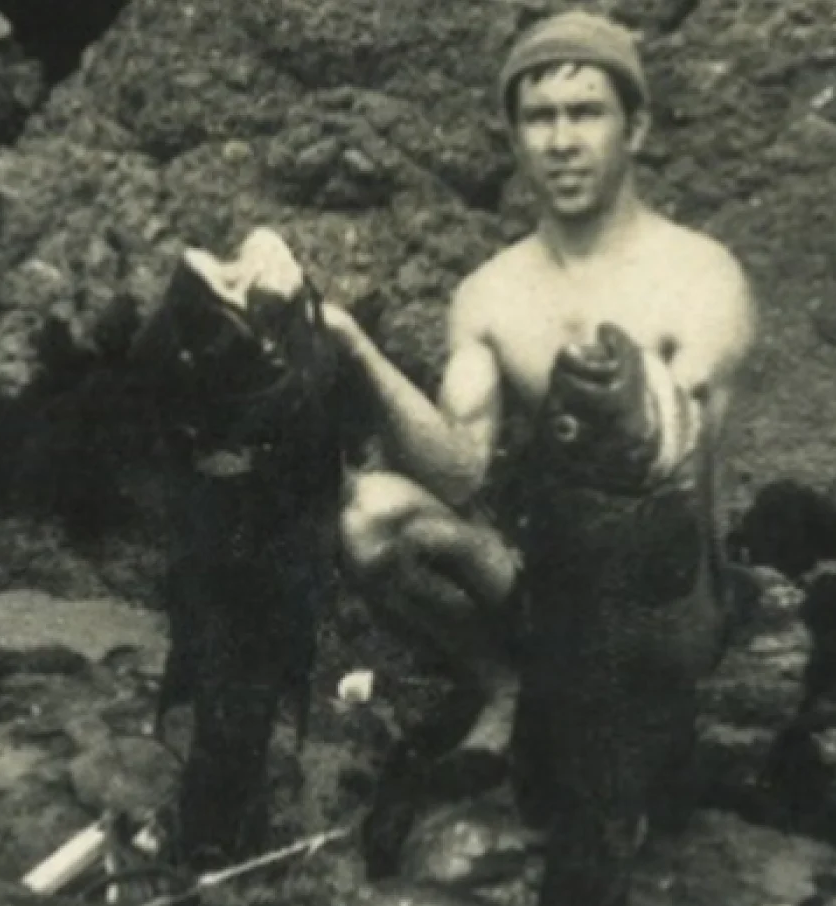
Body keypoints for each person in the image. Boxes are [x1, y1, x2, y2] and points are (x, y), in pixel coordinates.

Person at [323, 10, 758, 774]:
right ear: (515, 137)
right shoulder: (489, 295)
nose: (561, 140)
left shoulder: (701, 277)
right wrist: (356, 349)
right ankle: (505, 684)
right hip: (553, 577)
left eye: (586, 112)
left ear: (636, 127)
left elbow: (672, 457)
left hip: (666, 597)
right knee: (368, 514)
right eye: (539, 117)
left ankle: (629, 719)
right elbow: (458, 474)